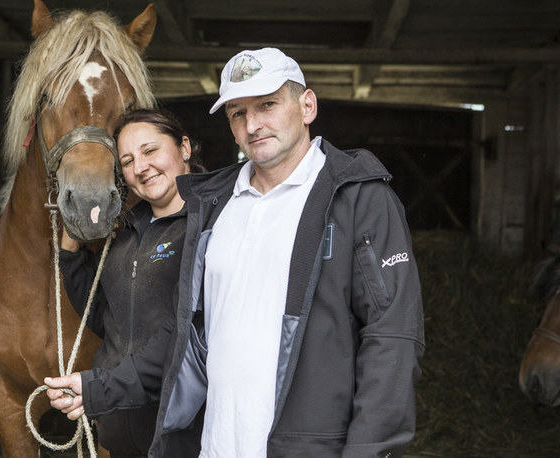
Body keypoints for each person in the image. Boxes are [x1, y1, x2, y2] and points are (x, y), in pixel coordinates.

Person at [46, 47, 425, 458]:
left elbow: (392, 338)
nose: (254, 124)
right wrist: (98, 388)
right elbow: (185, 335)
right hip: (217, 446)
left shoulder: (358, 199)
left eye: (267, 105)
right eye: (238, 113)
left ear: (307, 105)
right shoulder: (215, 206)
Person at [58, 108, 203, 457]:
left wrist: (101, 389)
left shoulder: (209, 226)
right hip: (120, 432)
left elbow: (183, 332)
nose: (140, 167)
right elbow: (104, 319)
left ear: (184, 148)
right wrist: (71, 249)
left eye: (150, 151)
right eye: (127, 160)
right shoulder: (125, 234)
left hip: (182, 437)